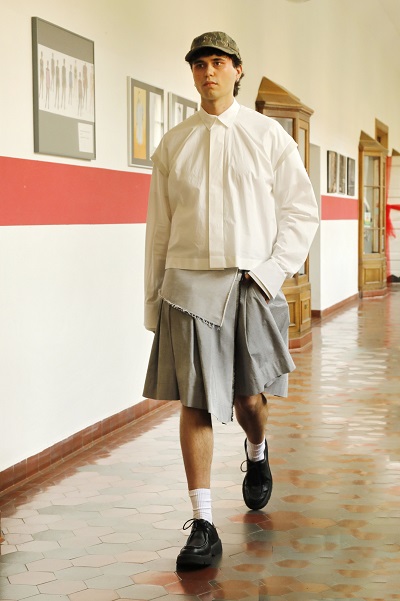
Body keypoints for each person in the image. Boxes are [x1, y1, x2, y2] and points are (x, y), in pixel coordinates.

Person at [143, 31, 319, 569]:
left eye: (217, 62)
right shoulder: (174, 144)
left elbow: (301, 211)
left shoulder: (268, 136)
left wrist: (271, 272)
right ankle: (202, 523)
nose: (208, 72)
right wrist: (152, 299)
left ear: (237, 69)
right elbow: (158, 229)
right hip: (187, 285)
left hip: (250, 282)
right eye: (199, 64)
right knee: (194, 402)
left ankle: (257, 451)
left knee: (248, 400)